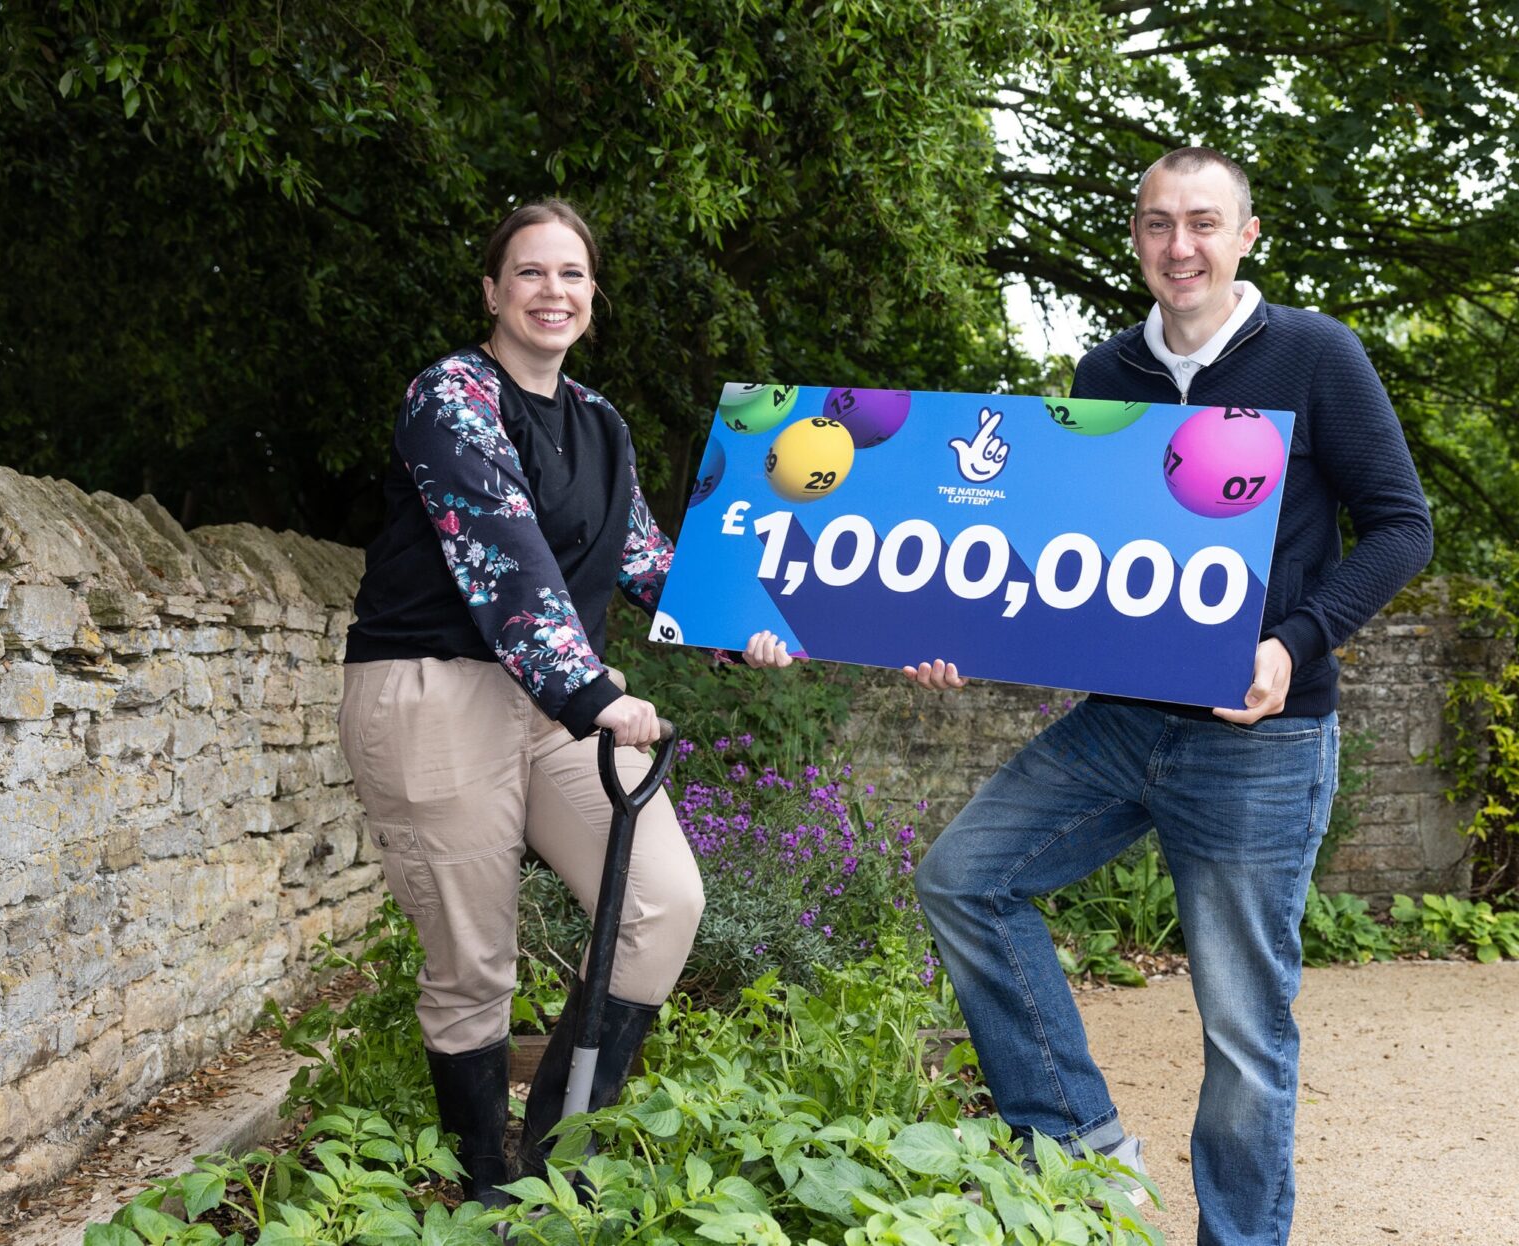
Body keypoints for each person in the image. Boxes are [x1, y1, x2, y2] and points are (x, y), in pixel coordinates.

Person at [904, 148, 1433, 1245]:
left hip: (1263, 740)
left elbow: (1401, 529)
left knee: (1243, 1026)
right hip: (1125, 723)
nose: (1179, 245)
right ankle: (1083, 1146)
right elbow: (1070, 566)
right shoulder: (1105, 378)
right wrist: (953, 636)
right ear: (1136, 238)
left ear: (1247, 235)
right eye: (1157, 223)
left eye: (1203, 222)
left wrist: (1293, 643)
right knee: (965, 878)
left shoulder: (1314, 355)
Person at [337, 198, 795, 1208]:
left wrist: (737, 625)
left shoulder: (598, 423)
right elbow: (507, 561)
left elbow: (642, 560)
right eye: (532, 273)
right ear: (494, 292)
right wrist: (593, 691)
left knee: (664, 901)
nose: (555, 292)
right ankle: (481, 1183)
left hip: (552, 703)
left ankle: (552, 1160)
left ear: (594, 295)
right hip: (434, 691)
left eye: (573, 274)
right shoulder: (450, 396)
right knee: (475, 962)